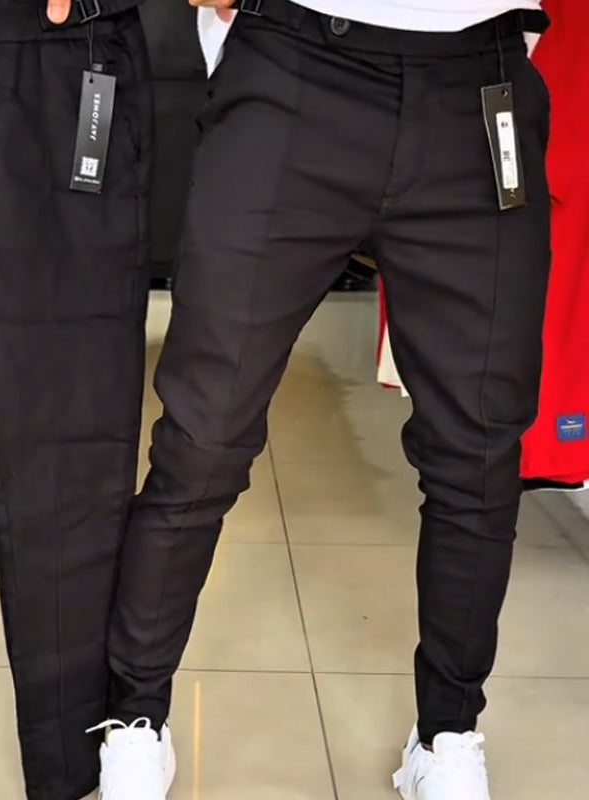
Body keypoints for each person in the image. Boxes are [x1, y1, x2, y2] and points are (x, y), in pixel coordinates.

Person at [92, 1, 552, 799]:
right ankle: (135, 717)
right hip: (293, 70)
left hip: (481, 89)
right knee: (203, 437)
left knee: (478, 452)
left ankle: (447, 734)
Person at [0, 1, 152, 798]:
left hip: (73, 47)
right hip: (27, 49)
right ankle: (82, 747)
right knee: (46, 424)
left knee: (70, 422)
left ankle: (99, 738)